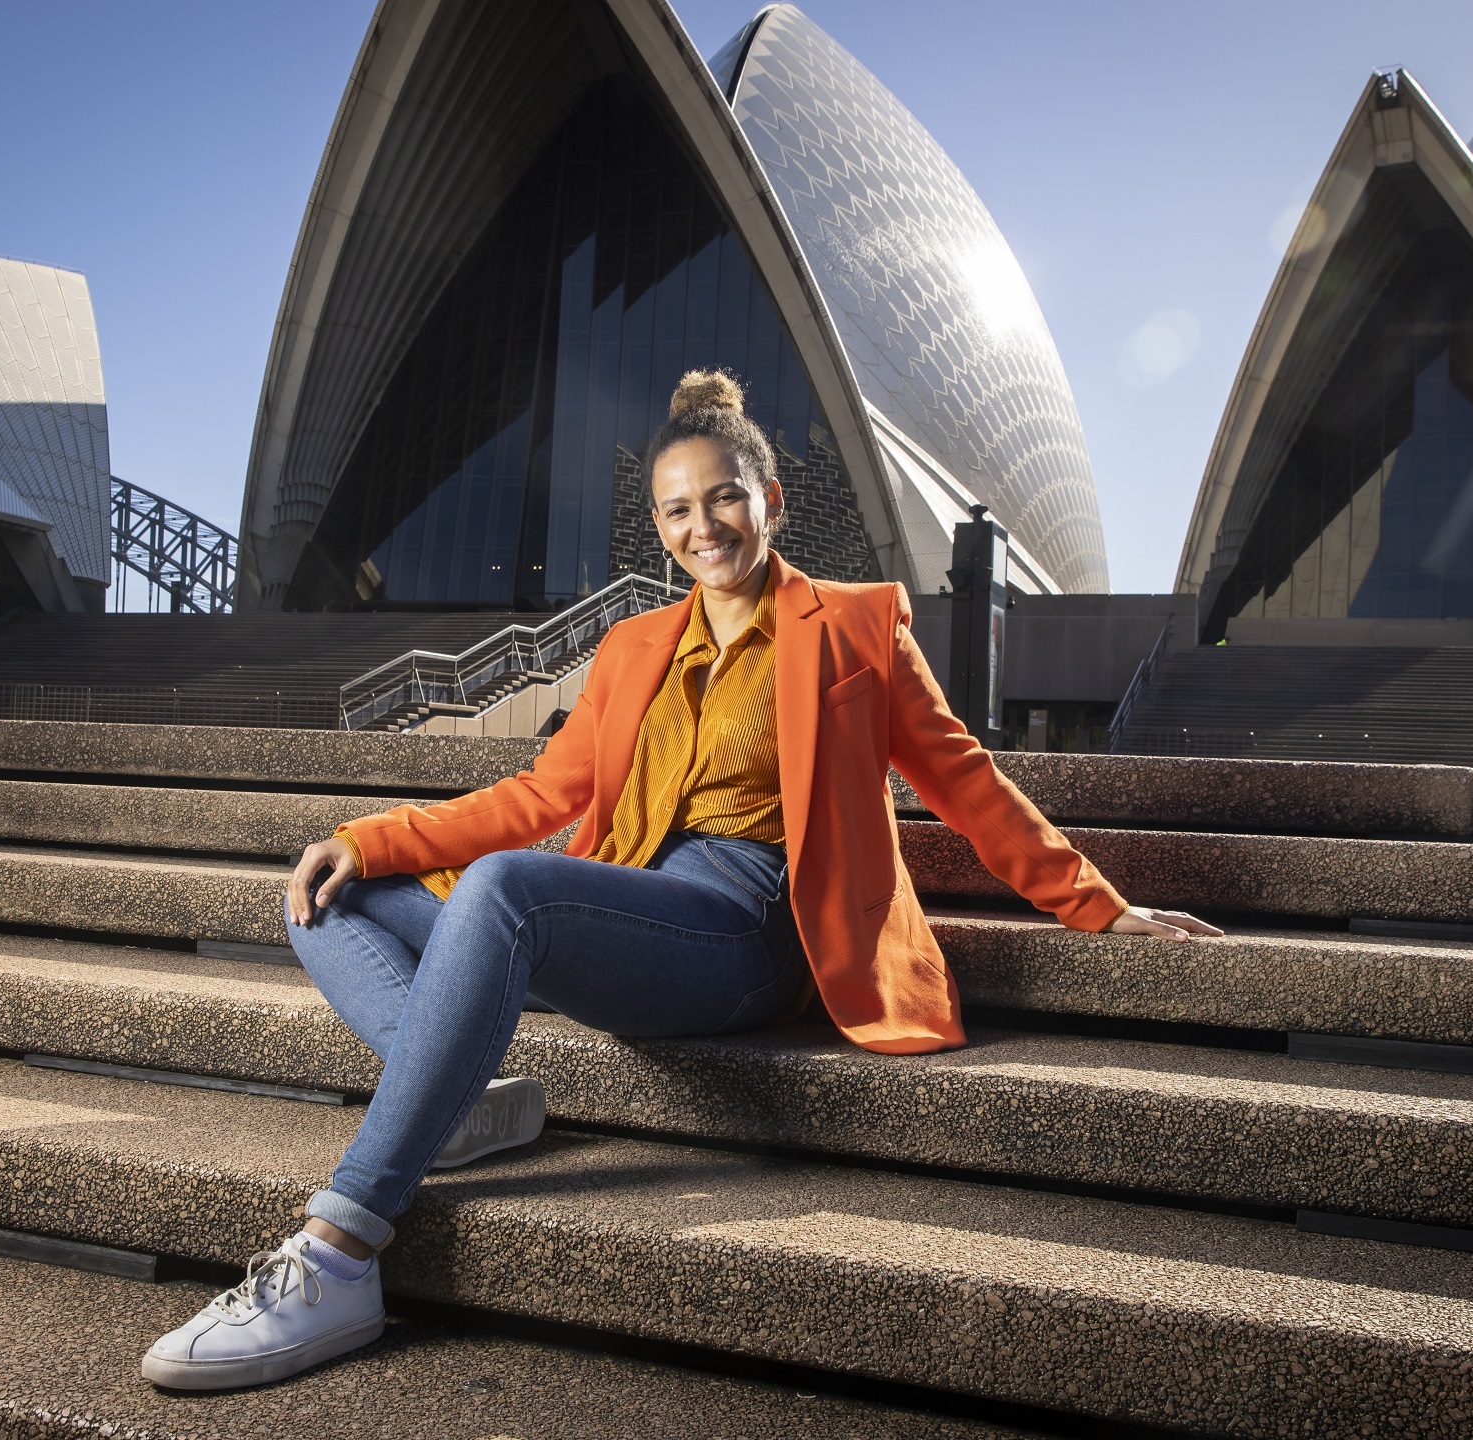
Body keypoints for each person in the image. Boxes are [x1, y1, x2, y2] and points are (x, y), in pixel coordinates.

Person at [140, 370, 1221, 1390]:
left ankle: (338, 1254)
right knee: (332, 892)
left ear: (771, 500)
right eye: (675, 512)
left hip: (743, 931)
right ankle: (456, 1104)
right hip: (624, 904)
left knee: (508, 889)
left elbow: (964, 780)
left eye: (724, 500)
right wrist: (373, 839)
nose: (702, 528)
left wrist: (1100, 904)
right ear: (655, 529)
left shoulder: (853, 626)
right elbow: (536, 796)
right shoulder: (631, 647)